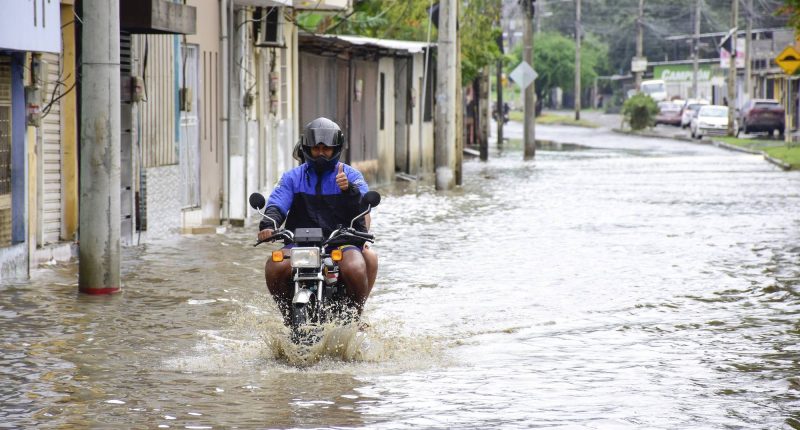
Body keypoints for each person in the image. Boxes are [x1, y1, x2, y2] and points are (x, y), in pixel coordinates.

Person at [257, 117, 378, 323]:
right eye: (316, 148)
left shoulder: (350, 175)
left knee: (355, 267)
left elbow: (364, 207)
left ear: (335, 149)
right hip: (299, 244)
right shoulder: (292, 177)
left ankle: (354, 319)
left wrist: (349, 190)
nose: (321, 153)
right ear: (307, 148)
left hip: (341, 243)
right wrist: (269, 224)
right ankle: (289, 317)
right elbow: (277, 203)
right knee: (274, 266)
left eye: (326, 148)